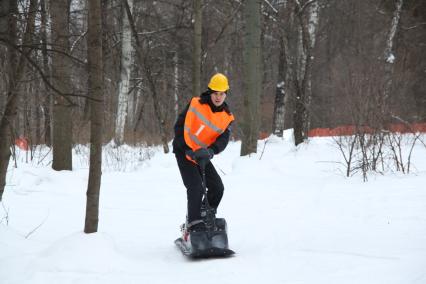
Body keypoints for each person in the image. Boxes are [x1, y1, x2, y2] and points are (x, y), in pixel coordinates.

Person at [173, 73, 235, 233]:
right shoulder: (195, 104)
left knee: (217, 188)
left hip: (202, 155)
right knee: (196, 187)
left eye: (222, 94)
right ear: (210, 92)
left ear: (226, 94)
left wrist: (211, 151)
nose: (218, 97)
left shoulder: (226, 117)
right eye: (215, 93)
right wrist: (187, 149)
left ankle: (204, 213)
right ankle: (193, 223)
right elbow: (179, 128)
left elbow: (223, 139)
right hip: (184, 151)